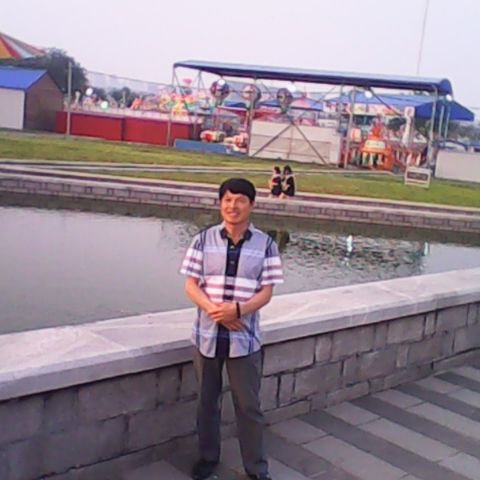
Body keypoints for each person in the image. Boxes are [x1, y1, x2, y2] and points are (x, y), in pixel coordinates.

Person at [180, 178, 283, 480]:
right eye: (227, 199)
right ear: (220, 203)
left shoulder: (266, 244)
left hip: (244, 339)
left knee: (249, 406)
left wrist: (237, 311)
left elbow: (266, 292)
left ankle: (256, 469)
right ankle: (207, 459)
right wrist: (217, 312)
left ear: (251, 205)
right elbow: (190, 285)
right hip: (207, 336)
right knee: (206, 403)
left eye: (240, 200)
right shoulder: (203, 240)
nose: (232, 206)